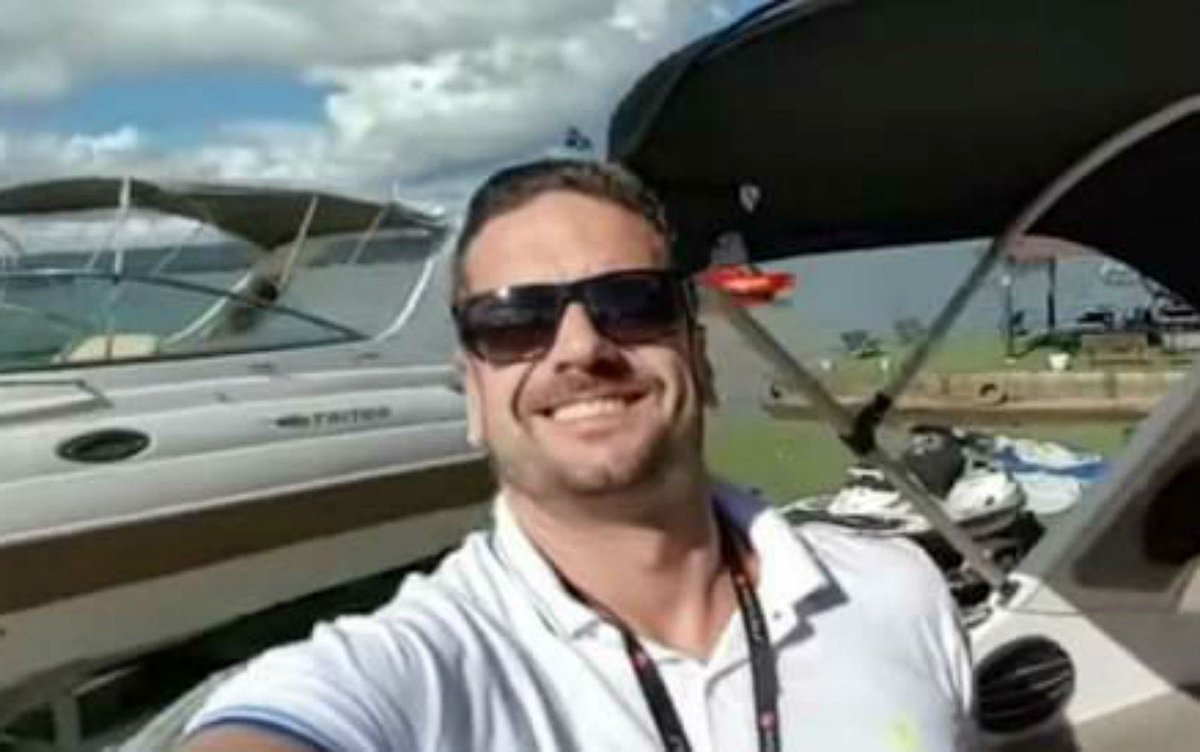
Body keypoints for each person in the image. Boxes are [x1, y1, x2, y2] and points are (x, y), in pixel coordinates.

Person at [182, 159, 975, 751]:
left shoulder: (898, 592)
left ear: (698, 359)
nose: (581, 347)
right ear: (472, 395)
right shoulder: (413, 670)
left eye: (630, 301)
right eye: (513, 320)